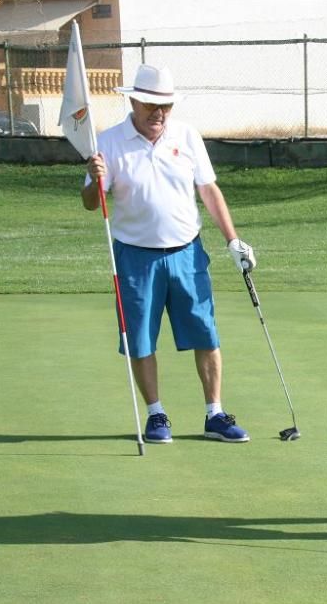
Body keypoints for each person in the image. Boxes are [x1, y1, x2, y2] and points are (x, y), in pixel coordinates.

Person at [81, 64, 254, 444]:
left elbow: (208, 191)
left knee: (206, 333)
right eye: (151, 105)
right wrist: (95, 179)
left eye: (166, 106)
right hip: (135, 257)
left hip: (187, 252)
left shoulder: (187, 136)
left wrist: (232, 240)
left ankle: (215, 414)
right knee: (141, 338)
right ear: (134, 101)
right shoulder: (108, 142)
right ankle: (156, 415)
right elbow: (92, 204)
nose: (159, 113)